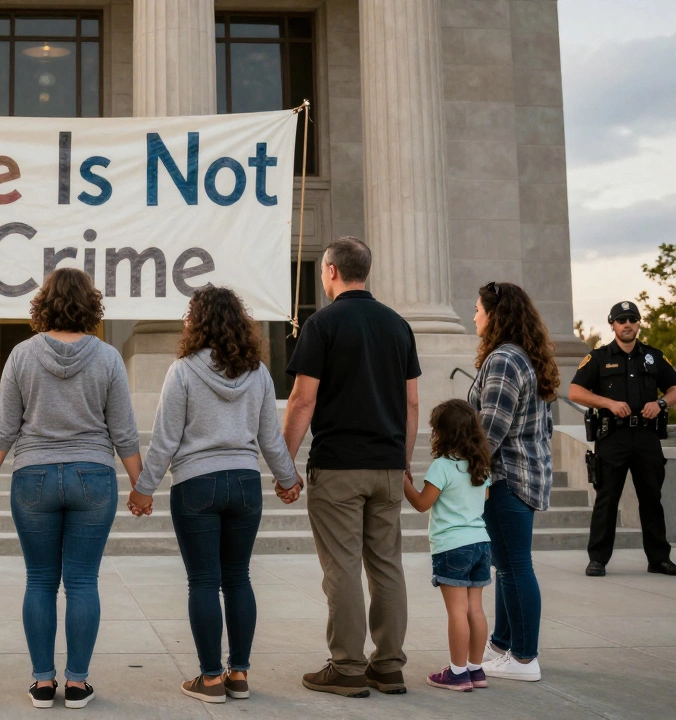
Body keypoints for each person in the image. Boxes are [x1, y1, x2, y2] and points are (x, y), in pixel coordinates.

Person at [126, 287, 302, 704]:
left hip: (195, 484)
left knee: (203, 581)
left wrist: (143, 490)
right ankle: (238, 674)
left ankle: (209, 680)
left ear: (197, 321)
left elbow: (166, 439)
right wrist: (287, 478)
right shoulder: (257, 371)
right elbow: (268, 438)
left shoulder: (183, 370)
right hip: (244, 484)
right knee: (238, 577)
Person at [0, 267, 141, 710]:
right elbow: (124, 432)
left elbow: (3, 429)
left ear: (43, 303)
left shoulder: (21, 355)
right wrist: (140, 485)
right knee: (83, 582)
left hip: (33, 475)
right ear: (90, 304)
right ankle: (76, 684)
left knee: (39, 581)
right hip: (93, 474)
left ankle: (41, 682)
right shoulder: (107, 357)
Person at [282, 237, 420, 698]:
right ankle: (389, 666)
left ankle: (346, 667)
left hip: (339, 466)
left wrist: (284, 464)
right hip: (387, 465)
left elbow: (303, 399)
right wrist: (402, 460)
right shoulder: (398, 325)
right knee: (387, 566)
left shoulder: (322, 324)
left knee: (342, 567)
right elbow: (411, 401)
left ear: (332, 271)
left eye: (323, 271)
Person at [469, 281, 558, 682]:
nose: (474, 316)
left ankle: (524, 659)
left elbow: (491, 427)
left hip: (506, 478)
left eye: (478, 310)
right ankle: (504, 647)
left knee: (515, 566)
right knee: (506, 566)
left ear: (495, 316)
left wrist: (466, 472)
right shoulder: (527, 357)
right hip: (524, 475)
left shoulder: (505, 359)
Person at [568, 301, 676, 577]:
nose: (627, 324)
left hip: (646, 436)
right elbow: (576, 391)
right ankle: (598, 559)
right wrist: (607, 403)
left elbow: (675, 387)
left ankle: (659, 559)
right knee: (607, 498)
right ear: (612, 324)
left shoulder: (653, 357)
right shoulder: (600, 358)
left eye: (632, 319)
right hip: (612, 437)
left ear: (639, 323)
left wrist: (662, 404)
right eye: (621, 320)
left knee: (651, 498)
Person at [403, 400, 493, 692]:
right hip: (480, 543)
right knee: (475, 610)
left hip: (452, 547)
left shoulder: (442, 466)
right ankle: (475, 669)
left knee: (457, 611)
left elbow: (421, 503)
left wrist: (403, 481)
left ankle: (456, 673)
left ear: (442, 432)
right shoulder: (480, 464)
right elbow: (485, 498)